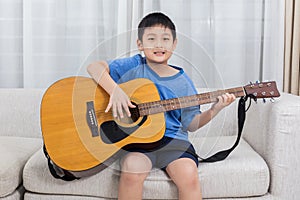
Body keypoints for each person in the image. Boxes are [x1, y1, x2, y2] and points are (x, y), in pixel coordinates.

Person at [87, 12, 235, 200]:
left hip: (174, 141)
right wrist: (115, 91)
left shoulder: (183, 82)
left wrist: (215, 109)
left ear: (174, 44)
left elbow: (191, 124)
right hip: (138, 141)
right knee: (132, 171)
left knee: (189, 174)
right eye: (151, 39)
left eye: (165, 39)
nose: (159, 44)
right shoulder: (134, 65)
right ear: (140, 44)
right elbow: (94, 67)